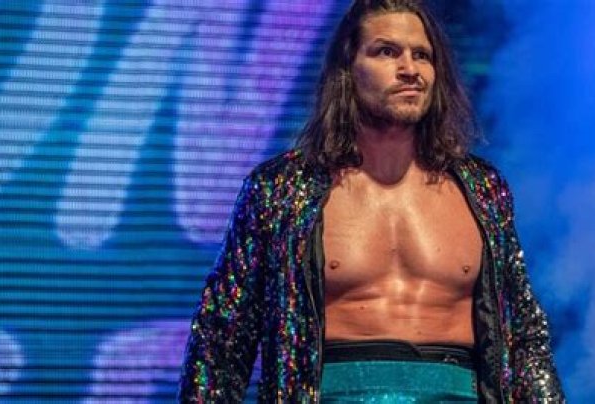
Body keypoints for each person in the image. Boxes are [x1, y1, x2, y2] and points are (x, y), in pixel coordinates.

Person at [178, 0, 564, 402]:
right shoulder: (282, 190)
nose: (410, 69)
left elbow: (523, 337)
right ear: (348, 69)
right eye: (387, 51)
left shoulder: (482, 190)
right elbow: (221, 340)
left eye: (422, 55)